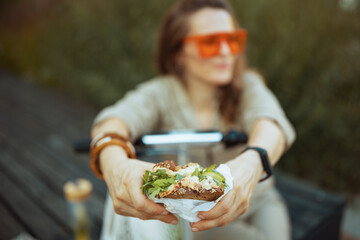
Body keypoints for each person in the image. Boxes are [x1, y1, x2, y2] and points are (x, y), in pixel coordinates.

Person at [91, 0, 296, 239]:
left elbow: (271, 123)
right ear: (178, 53)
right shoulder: (161, 93)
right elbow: (114, 121)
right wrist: (116, 166)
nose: (226, 51)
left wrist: (251, 166)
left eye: (232, 40)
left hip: (260, 200)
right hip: (198, 214)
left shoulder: (248, 85)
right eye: (209, 42)